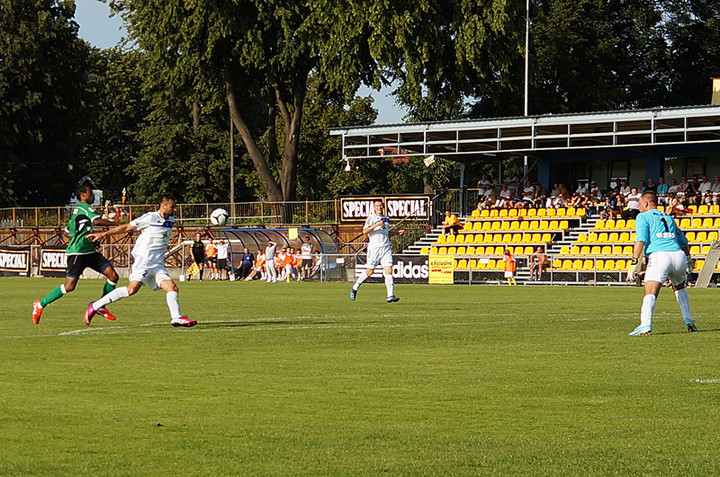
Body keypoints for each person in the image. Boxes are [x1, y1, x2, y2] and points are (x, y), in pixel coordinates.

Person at [85, 194, 197, 328]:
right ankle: (96, 305)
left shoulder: (171, 220)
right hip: (144, 261)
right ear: (163, 206)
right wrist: (103, 234)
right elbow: (127, 227)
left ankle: (176, 317)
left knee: (172, 288)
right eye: (172, 207)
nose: (175, 210)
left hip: (158, 264)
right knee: (131, 290)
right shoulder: (150, 217)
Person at [32, 183, 120, 324]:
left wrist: (86, 237)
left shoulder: (76, 211)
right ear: (83, 195)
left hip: (89, 252)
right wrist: (118, 225)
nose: (93, 195)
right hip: (77, 254)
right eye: (91, 193)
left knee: (113, 276)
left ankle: (101, 306)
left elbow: (68, 232)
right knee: (69, 286)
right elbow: (96, 221)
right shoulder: (85, 208)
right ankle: (40, 304)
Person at [628, 190, 697, 336]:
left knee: (650, 290)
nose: (639, 207)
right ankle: (689, 319)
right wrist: (689, 258)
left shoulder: (643, 216)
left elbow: (640, 239)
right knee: (679, 288)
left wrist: (634, 261)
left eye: (640, 204)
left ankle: (645, 324)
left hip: (660, 256)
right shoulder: (668, 217)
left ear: (646, 203)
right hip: (678, 256)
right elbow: (683, 241)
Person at [350, 199, 400, 303]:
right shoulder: (371, 218)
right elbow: (365, 231)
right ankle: (355, 287)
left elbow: (385, 233)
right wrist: (376, 225)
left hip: (386, 248)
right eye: (377, 206)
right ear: (374, 207)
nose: (379, 207)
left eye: (380, 205)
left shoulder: (386, 218)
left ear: (383, 206)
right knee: (370, 271)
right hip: (374, 249)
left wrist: (395, 233)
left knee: (389, 270)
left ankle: (390, 295)